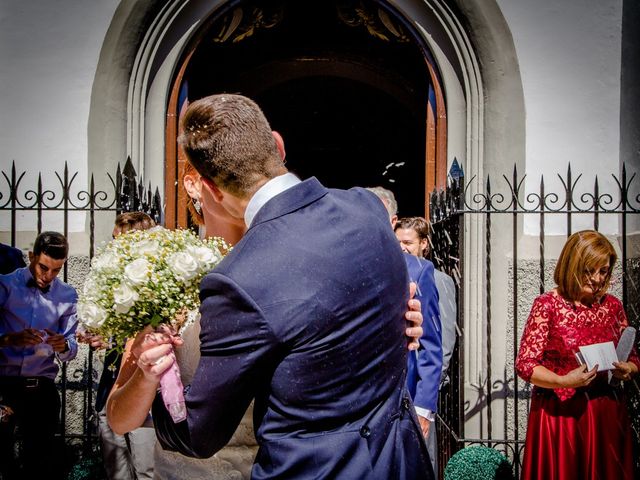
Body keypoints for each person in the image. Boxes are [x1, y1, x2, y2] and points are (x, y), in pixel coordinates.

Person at [107, 93, 433, 479]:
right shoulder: (365, 206)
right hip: (398, 462)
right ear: (276, 144)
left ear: (210, 189)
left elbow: (197, 435)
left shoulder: (238, 279)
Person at [515, 230, 638, 479]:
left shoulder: (613, 306)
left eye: (603, 271)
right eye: (588, 270)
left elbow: (634, 356)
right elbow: (526, 364)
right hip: (562, 416)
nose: (596, 279)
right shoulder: (547, 305)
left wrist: (629, 369)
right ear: (572, 265)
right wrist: (563, 381)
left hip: (606, 413)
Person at [365, 187, 443, 470]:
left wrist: (423, 408)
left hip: (401, 397)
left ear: (392, 221)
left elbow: (432, 346)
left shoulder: (419, 270)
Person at [78, 212, 157, 480]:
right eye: (115, 239)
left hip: (142, 393)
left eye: (122, 240)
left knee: (146, 470)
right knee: (116, 472)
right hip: (110, 388)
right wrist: (102, 337)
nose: (115, 246)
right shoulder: (113, 281)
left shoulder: (156, 283)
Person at [0, 231, 79, 480]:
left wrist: (63, 345)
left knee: (39, 465)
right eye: (44, 267)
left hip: (42, 391)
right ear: (32, 256)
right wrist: (10, 339)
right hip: (5, 386)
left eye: (56, 270)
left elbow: (71, 348)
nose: (48, 276)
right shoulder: (5, 284)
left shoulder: (67, 295)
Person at [395, 215, 458, 475]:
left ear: (424, 244)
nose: (402, 248)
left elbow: (442, 340)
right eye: (398, 241)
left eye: (408, 242)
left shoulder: (437, 278)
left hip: (421, 387)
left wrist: (427, 388)